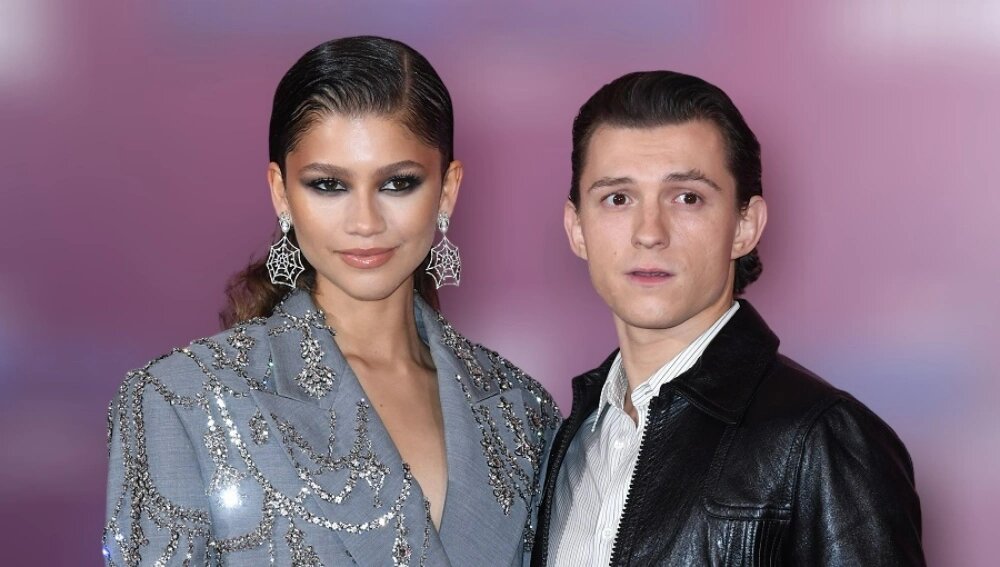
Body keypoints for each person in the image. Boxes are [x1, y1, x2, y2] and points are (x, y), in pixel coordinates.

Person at [103, 36, 559, 566]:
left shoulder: (519, 410)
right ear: (281, 192)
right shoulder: (182, 399)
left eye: (398, 183)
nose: (364, 222)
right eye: (328, 185)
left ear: (447, 189)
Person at [531, 71, 924, 566]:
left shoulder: (822, 439)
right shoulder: (566, 441)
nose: (649, 232)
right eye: (618, 199)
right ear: (577, 228)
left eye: (687, 197)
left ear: (745, 225)